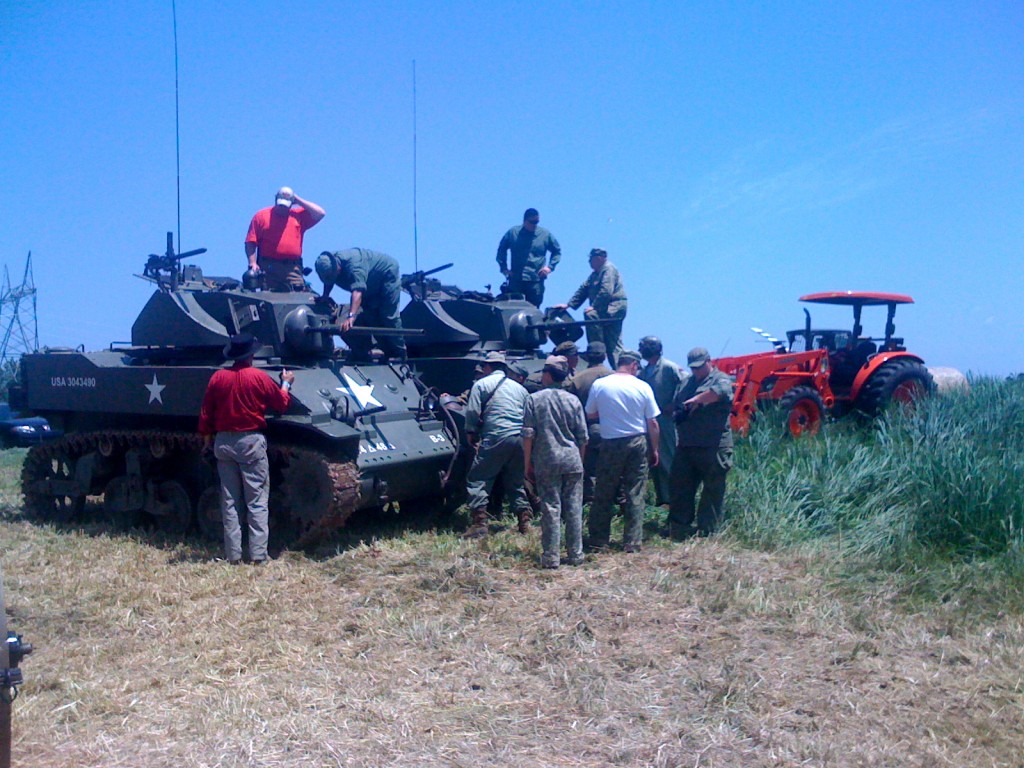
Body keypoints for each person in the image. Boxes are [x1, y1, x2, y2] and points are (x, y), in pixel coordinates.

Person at [198, 333, 294, 564]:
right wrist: (286, 383)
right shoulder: (258, 377)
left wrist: (206, 442)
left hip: (223, 443)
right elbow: (281, 404)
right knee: (257, 500)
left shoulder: (218, 378)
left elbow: (205, 415)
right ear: (251, 355)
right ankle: (259, 555)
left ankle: (233, 556)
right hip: (250, 442)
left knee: (229, 502)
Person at [584, 350, 660, 552]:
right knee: (635, 492)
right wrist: (655, 450)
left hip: (610, 442)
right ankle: (632, 542)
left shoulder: (600, 385)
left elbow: (590, 413)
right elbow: (652, 422)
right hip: (636, 442)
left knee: (604, 491)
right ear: (634, 365)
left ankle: (599, 540)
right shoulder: (643, 386)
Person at [522, 356, 588, 569]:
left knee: (551, 507)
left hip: (547, 460)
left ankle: (551, 556)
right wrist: (581, 461)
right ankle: (576, 554)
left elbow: (528, 435)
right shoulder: (574, 400)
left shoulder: (534, 399)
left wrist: (527, 464)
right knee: (574, 507)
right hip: (572, 460)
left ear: (548, 374)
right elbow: (583, 437)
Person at [667, 347, 735, 539]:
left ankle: (707, 530)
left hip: (713, 445)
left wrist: (696, 401)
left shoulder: (720, 378)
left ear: (708, 362)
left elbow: (719, 392)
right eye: (693, 368)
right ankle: (679, 528)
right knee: (680, 486)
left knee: (712, 490)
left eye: (699, 367)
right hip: (687, 444)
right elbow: (678, 402)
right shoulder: (686, 382)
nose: (696, 371)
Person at [462, 351, 532, 538]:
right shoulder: (520, 389)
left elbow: (473, 412)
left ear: (487, 367)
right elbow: (528, 416)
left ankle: (479, 524)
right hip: (519, 438)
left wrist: (471, 433)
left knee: (479, 478)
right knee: (516, 481)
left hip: (495, 436)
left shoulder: (481, 384)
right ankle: (524, 520)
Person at [314, 248, 407, 360]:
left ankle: (400, 353)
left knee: (388, 316)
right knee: (371, 318)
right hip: (369, 284)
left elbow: (357, 291)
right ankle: (387, 352)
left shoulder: (355, 267)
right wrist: (325, 296)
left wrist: (351, 317)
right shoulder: (329, 264)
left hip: (386, 275)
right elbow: (329, 281)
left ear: (337, 268)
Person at [552, 248, 627, 368]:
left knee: (612, 342)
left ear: (598, 259)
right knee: (596, 322)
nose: (589, 263)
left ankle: (601, 352)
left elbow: (606, 291)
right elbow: (583, 289)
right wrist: (569, 305)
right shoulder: (595, 274)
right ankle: (597, 349)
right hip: (603, 309)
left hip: (613, 309)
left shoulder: (608, 269)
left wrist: (594, 306)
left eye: (590, 260)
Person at [245, 187, 326, 291]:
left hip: (292, 269)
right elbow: (250, 242)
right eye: (280, 205)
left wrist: (298, 200)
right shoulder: (261, 216)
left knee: (299, 295)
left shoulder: (298, 216)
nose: (282, 208)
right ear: (275, 200)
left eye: (286, 205)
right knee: (268, 297)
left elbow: (320, 213)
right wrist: (252, 263)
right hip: (269, 267)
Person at [638, 336, 687, 506]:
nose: (640, 350)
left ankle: (672, 498)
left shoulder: (669, 367)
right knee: (653, 461)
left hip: (665, 422)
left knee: (668, 459)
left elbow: (686, 385)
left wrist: (674, 405)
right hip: (649, 421)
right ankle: (661, 498)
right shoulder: (644, 372)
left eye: (643, 347)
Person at [566, 341, 612, 501]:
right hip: (614, 430)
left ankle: (592, 504)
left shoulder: (577, 379)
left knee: (591, 471)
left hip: (588, 430)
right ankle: (620, 504)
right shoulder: (615, 376)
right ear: (605, 356)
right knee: (615, 469)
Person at [495, 208, 561, 308]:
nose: (534, 224)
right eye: (532, 222)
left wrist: (549, 268)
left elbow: (557, 251)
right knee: (513, 308)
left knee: (533, 310)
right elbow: (501, 250)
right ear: (525, 221)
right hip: (516, 280)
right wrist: (504, 269)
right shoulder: (513, 233)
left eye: (537, 222)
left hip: (535, 281)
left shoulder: (545, 235)